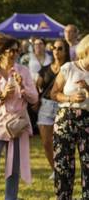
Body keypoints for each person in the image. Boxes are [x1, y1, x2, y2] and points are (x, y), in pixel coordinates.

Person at [0, 35, 38, 200]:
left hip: (17, 126)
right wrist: (2, 96)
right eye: (11, 50)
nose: (15, 53)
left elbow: (34, 99)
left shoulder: (24, 72)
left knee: (13, 170)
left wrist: (23, 87)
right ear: (1, 53)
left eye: (17, 50)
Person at [49, 34, 89, 199]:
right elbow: (54, 93)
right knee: (63, 165)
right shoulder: (69, 68)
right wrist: (70, 98)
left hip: (87, 119)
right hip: (66, 119)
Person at [36, 39, 70, 180]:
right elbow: (38, 86)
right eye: (54, 48)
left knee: (63, 142)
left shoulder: (70, 68)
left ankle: (65, 169)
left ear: (66, 51)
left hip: (63, 106)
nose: (56, 50)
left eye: (60, 48)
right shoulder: (44, 69)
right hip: (45, 106)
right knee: (46, 142)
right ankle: (55, 169)